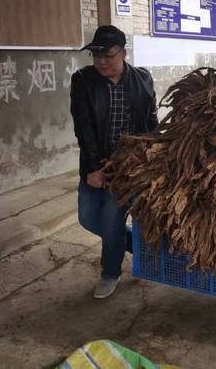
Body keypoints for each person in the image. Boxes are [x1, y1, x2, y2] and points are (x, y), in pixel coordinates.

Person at [70, 25, 158, 299]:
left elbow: (151, 122)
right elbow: (83, 126)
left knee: (110, 217)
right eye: (96, 55)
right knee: (87, 218)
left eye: (107, 55)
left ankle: (110, 273)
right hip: (96, 162)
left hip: (128, 166)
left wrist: (154, 157)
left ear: (123, 53)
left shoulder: (142, 79)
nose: (101, 61)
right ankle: (134, 245)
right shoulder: (83, 80)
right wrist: (94, 168)